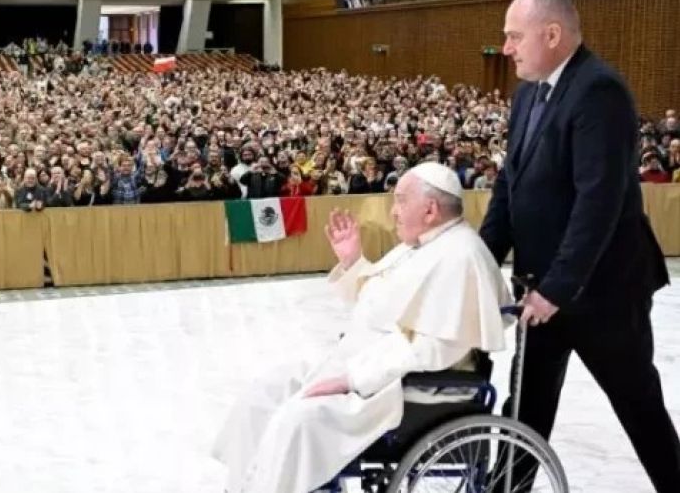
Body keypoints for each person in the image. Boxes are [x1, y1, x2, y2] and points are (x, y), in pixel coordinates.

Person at [479, 0, 680, 492]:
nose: (506, 48)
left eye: (514, 36)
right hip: (541, 292)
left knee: (639, 410)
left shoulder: (599, 90)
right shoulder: (528, 92)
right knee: (524, 413)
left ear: (552, 33)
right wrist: (478, 263)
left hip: (602, 296)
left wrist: (557, 288)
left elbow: (599, 203)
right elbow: (512, 185)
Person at [212, 162, 511, 493]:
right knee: (264, 394)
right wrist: (353, 262)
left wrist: (351, 379)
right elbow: (379, 307)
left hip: (402, 388)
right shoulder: (420, 246)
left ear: (430, 209)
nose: (393, 211)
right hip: (369, 369)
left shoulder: (461, 255)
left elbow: (431, 348)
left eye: (400, 200)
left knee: (297, 420)